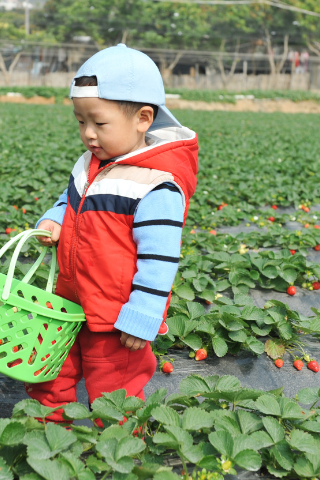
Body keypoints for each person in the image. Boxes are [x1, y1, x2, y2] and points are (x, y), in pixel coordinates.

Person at [28, 43, 199, 424]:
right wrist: (54, 219)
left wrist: (142, 316)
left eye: (99, 123)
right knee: (48, 375)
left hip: (116, 319)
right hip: (69, 302)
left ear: (142, 118)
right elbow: (70, 198)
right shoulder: (91, 163)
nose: (88, 134)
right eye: (80, 121)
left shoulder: (156, 185)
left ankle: (115, 453)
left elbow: (161, 257)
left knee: (114, 394)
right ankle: (46, 437)